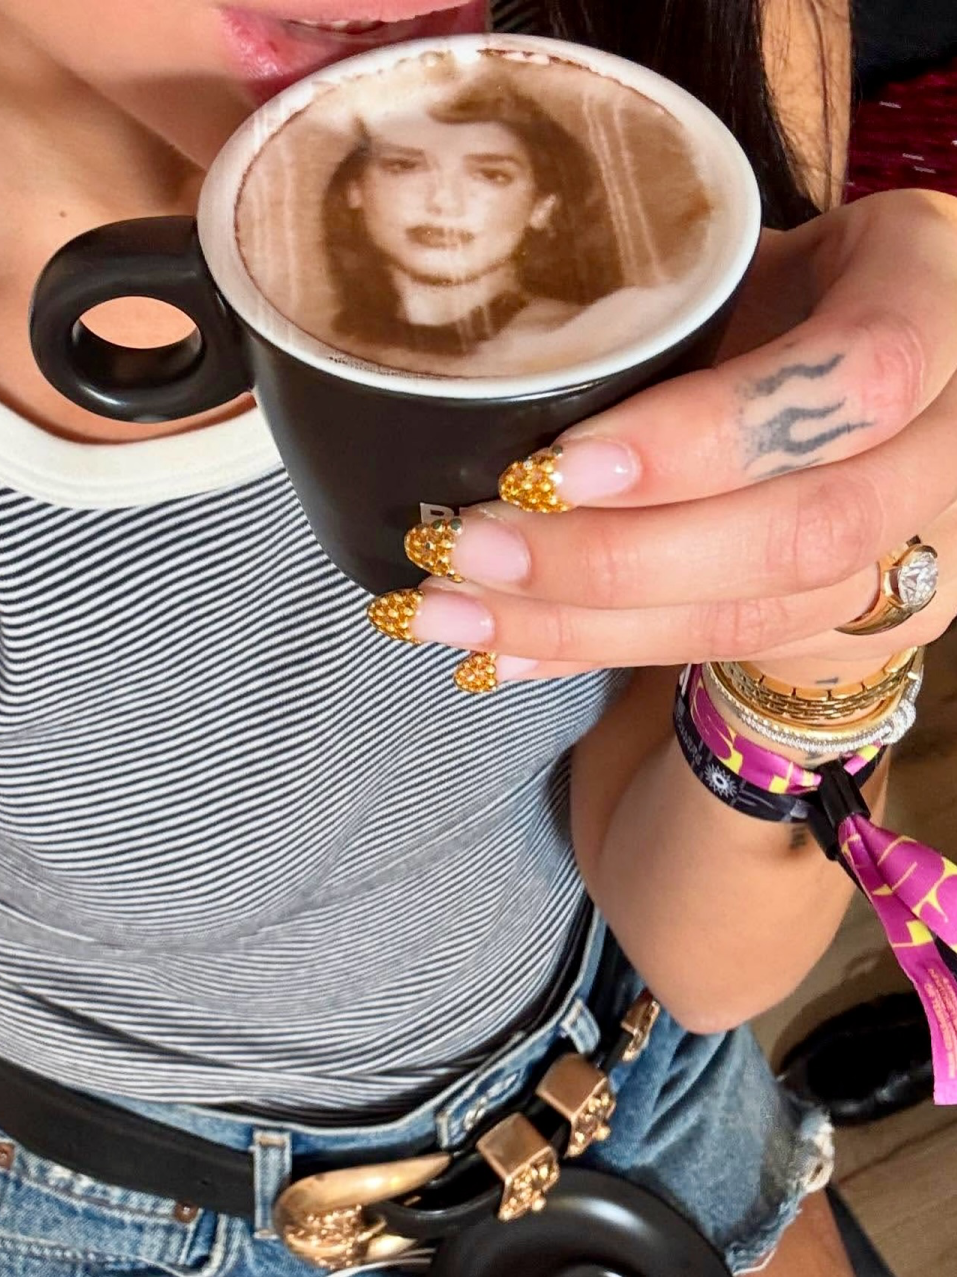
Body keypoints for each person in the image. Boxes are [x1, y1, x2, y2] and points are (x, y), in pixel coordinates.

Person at [0, 4, 955, 1277]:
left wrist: (833, 631)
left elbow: (708, 962)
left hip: (640, 1085)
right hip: (124, 1208)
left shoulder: (662, 66)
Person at [321, 80, 675, 376]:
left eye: (491, 175)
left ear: (541, 208)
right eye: (404, 166)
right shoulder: (327, 342)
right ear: (355, 190)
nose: (444, 202)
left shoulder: (607, 333)